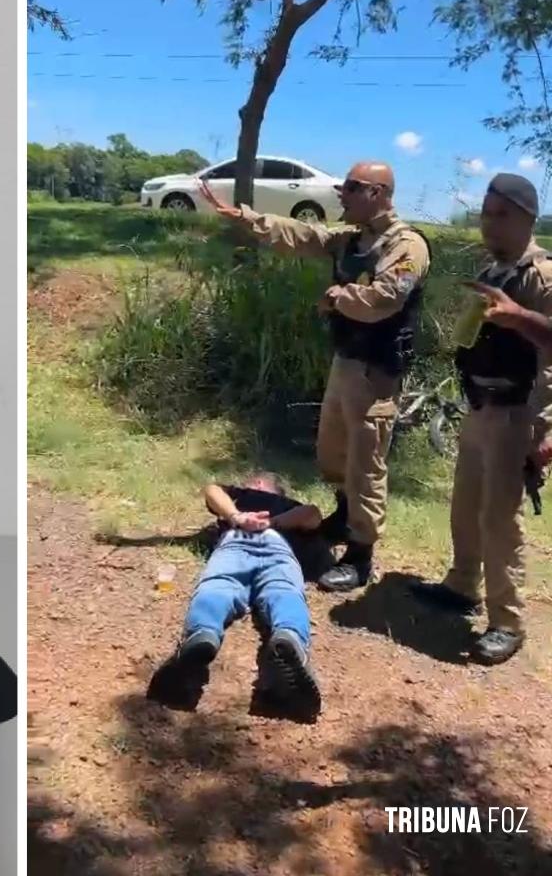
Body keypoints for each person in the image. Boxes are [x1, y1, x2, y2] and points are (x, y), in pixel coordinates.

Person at [200, 162, 432, 593]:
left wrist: (338, 297)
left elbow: (385, 298)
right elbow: (303, 236)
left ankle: (361, 555)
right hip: (347, 361)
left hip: (376, 371)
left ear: (379, 193)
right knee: (334, 450)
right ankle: (344, 519)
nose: (341, 193)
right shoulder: (351, 238)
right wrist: (247, 219)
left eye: (352, 187)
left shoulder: (406, 245)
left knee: (365, 462)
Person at [410, 174, 552, 664]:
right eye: (486, 214)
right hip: (478, 406)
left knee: (499, 519)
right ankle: (462, 585)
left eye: (501, 215)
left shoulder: (543, 276)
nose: (489, 224)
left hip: (518, 413)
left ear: (527, 218)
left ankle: (506, 621)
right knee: (466, 505)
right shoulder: (493, 269)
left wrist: (520, 318)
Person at [147, 474, 323, 717]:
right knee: (284, 590)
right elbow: (211, 490)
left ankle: (201, 636)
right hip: (268, 545)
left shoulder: (282, 504)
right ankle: (290, 640)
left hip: (247, 541)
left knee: (218, 586)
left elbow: (313, 514)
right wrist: (237, 516)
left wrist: (266, 522)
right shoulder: (240, 497)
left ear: (260, 483)